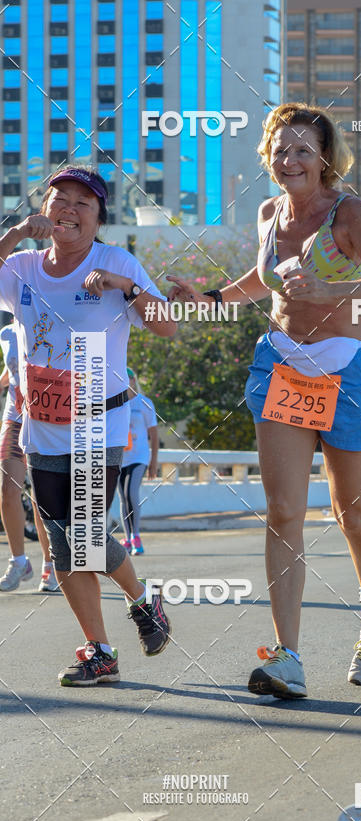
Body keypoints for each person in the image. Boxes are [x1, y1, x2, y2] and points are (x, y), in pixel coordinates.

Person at [168, 102, 361, 699]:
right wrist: (212, 296)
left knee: (351, 513)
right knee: (283, 513)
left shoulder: (349, 213)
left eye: (303, 149)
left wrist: (329, 287)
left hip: (348, 370)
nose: (289, 158)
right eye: (280, 147)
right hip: (282, 367)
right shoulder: (270, 211)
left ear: (325, 159)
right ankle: (288, 657)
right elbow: (261, 279)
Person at [0, 165, 177, 686]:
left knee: (84, 538)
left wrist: (126, 287)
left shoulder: (115, 261)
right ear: (45, 210)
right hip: (41, 425)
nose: (69, 210)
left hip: (98, 422)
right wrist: (11, 234)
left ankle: (144, 602)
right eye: (61, 200)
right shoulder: (23, 266)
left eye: (83, 203)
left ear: (98, 218)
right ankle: (101, 651)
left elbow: (166, 325)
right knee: (61, 543)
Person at [0, 321, 59, 592]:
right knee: (7, 488)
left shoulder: (47, 321)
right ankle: (19, 561)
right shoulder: (6, 333)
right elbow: (11, 370)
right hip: (15, 418)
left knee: (40, 498)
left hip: (45, 420)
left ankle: (51, 564)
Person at [118, 367, 158, 555]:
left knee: (131, 492)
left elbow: (154, 436)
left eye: (129, 378)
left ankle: (136, 535)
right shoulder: (116, 403)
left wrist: (153, 462)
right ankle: (127, 538)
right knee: (122, 497)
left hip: (140, 457)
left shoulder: (145, 403)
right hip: (120, 458)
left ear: (134, 380)